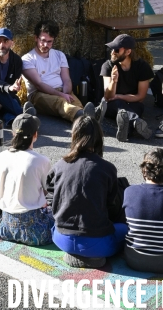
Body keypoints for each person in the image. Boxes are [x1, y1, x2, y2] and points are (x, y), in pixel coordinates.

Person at [47, 115, 128, 268]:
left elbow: (50, 197)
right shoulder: (107, 169)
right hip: (97, 242)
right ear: (98, 138)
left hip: (61, 238)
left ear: (74, 136)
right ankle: (92, 256)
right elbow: (112, 207)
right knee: (125, 229)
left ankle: (75, 253)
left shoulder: (59, 165)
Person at [0, 113, 54, 246]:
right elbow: (48, 191)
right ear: (35, 135)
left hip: (5, 227)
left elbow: (0, 185)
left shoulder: (2, 156)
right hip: (35, 231)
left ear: (13, 133)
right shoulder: (42, 161)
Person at [22, 20, 94, 123]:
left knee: (76, 104)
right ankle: (87, 119)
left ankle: (88, 119)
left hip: (61, 91)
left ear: (54, 40)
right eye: (43, 40)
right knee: (61, 103)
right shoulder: (27, 59)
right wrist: (61, 95)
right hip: (39, 95)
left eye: (49, 41)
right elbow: (39, 84)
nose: (45, 44)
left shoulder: (59, 55)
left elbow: (67, 79)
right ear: (36, 38)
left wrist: (66, 92)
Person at [100, 34, 153, 142]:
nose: (112, 52)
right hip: (112, 103)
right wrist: (113, 82)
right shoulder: (108, 66)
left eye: (116, 50)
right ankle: (135, 122)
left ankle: (126, 131)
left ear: (128, 52)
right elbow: (108, 96)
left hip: (133, 102)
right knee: (118, 105)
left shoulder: (142, 67)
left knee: (136, 107)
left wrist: (119, 96)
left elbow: (141, 97)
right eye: (112, 49)